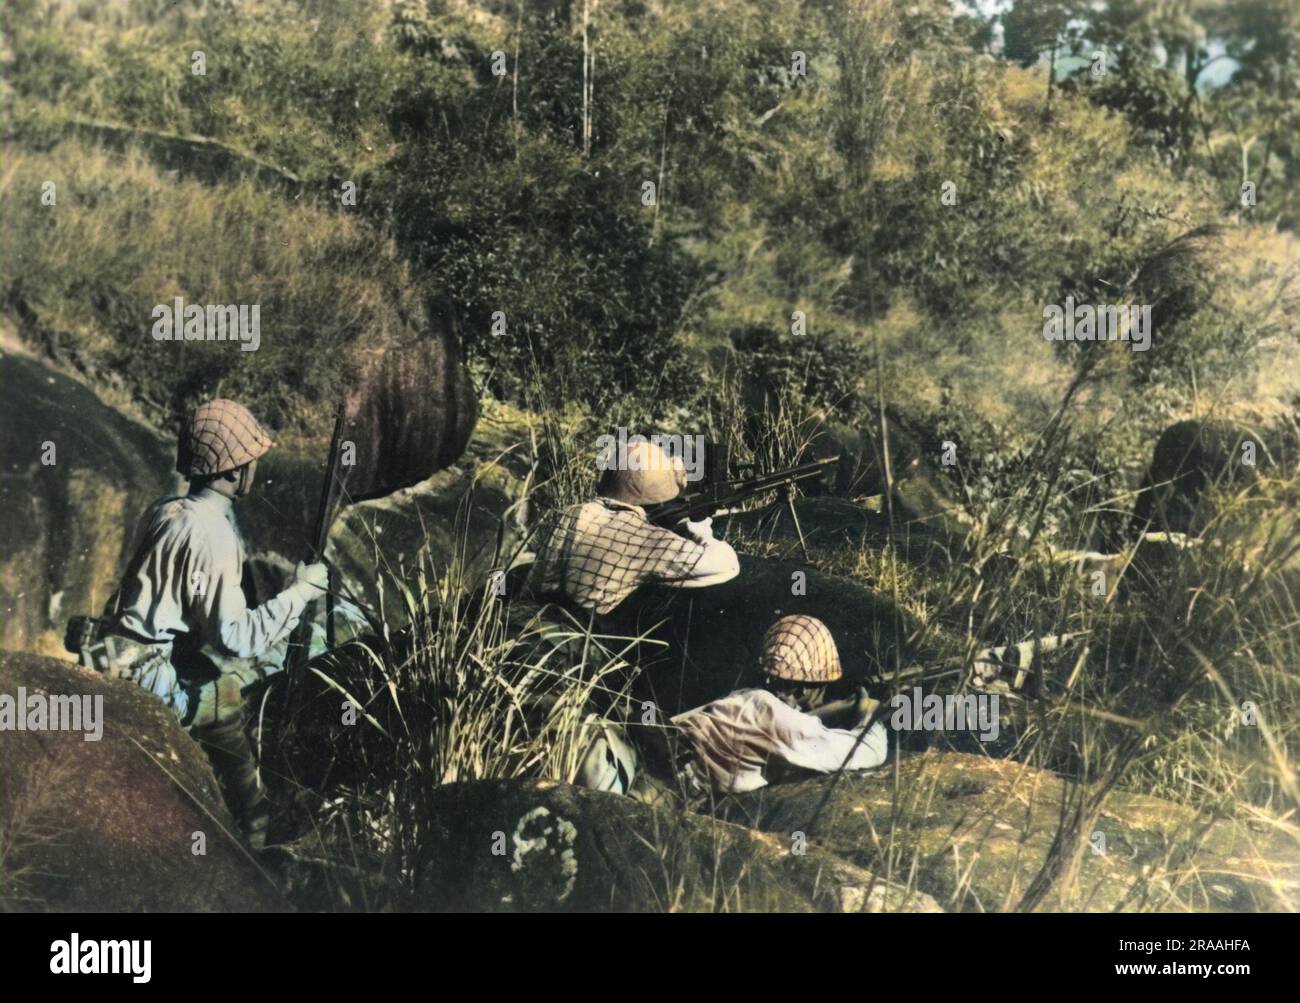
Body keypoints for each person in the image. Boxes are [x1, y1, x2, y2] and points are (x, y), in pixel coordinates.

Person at [85, 398, 329, 848]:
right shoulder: (215, 533)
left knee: (210, 675)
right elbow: (237, 638)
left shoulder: (165, 510)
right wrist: (302, 591)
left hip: (115, 652)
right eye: (251, 460)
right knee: (226, 696)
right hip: (148, 676)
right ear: (235, 470)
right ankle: (253, 825)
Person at [670, 615, 888, 794]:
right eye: (822, 689)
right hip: (668, 789)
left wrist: (841, 706)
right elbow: (870, 752)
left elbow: (780, 724)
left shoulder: (746, 697)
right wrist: (870, 713)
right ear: (804, 689)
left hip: (656, 767)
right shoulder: (780, 721)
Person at [527, 438, 739, 615]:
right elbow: (726, 565)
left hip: (525, 623)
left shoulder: (570, 512)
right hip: (574, 647)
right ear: (657, 500)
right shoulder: (648, 541)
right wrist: (698, 528)